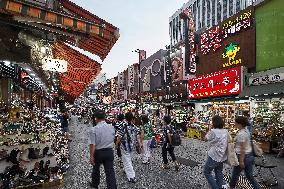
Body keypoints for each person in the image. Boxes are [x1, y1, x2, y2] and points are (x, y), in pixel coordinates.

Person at [229, 116, 261, 189]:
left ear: (239, 124)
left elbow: (242, 149)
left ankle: (231, 187)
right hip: (249, 155)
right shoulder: (246, 130)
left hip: (243, 156)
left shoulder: (241, 134)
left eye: (235, 123)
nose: (234, 124)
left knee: (235, 174)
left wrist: (241, 161)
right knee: (249, 176)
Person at [89, 109, 117, 189]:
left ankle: (95, 184)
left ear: (95, 118)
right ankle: (112, 187)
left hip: (98, 152)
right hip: (109, 151)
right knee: (110, 172)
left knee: (96, 169)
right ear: (104, 117)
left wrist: (91, 156)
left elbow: (92, 144)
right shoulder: (111, 127)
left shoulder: (94, 129)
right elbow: (113, 138)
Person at [116, 112, 142, 183]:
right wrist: (140, 145)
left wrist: (116, 144)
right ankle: (125, 169)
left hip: (125, 146)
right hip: (132, 146)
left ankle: (132, 177)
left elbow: (119, 137)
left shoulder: (123, 126)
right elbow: (138, 137)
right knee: (128, 159)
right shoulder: (135, 127)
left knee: (127, 161)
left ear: (125, 118)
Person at [204, 115, 228, 189]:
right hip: (222, 155)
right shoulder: (225, 131)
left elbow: (205, 138)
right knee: (218, 172)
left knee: (207, 172)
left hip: (214, 155)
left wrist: (210, 129)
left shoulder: (213, 131)